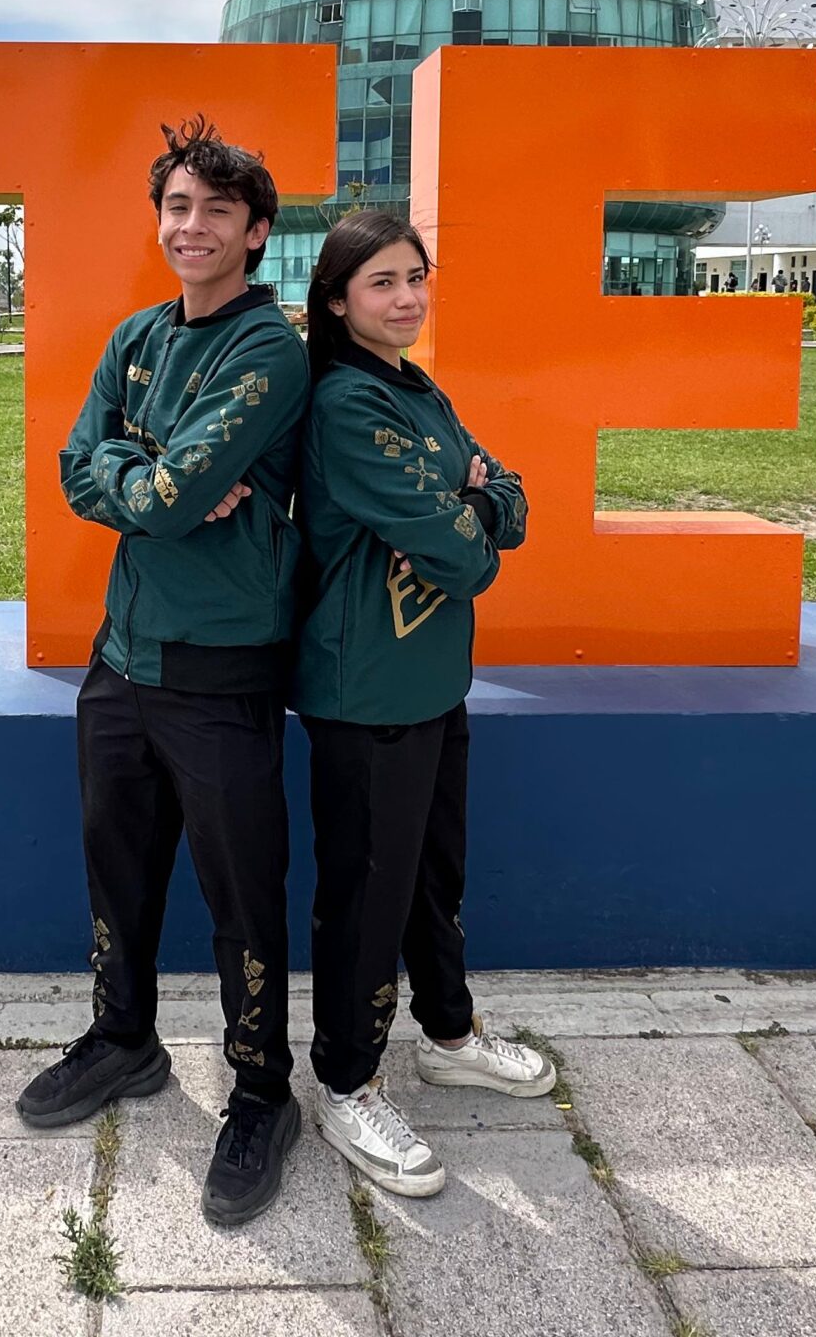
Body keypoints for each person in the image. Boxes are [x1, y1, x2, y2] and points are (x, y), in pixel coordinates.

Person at [16, 115, 309, 1228]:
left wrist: (148, 477)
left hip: (220, 667)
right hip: (120, 659)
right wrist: (149, 471)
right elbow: (77, 469)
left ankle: (262, 1092)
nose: (192, 227)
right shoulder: (135, 335)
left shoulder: (267, 349)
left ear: (256, 231)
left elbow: (170, 496)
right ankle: (123, 1040)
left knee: (242, 896)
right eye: (177, 207)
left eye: (217, 211)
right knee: (119, 873)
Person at [292, 206, 552, 1199]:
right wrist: (468, 509)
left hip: (435, 679)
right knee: (366, 893)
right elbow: (464, 556)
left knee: (433, 876)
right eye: (382, 283)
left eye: (415, 277)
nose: (406, 298)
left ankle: (448, 1034)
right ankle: (345, 1081)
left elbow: (506, 500)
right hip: (367, 689)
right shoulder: (346, 405)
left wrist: (476, 502)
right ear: (335, 301)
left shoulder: (415, 388)